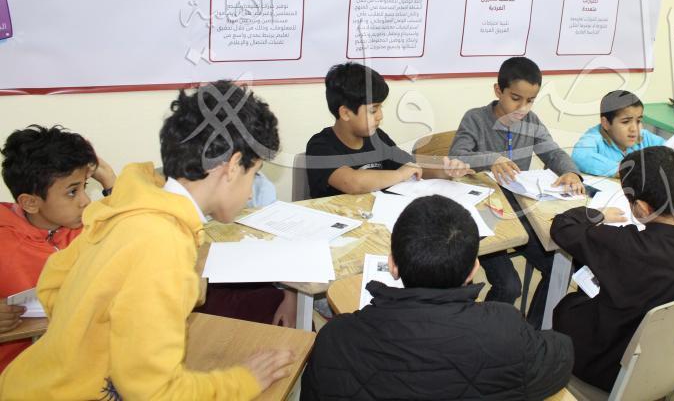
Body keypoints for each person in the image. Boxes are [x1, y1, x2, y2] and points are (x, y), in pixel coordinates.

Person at [0, 81, 294, 399]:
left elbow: (53, 285)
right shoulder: (162, 242)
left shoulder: (131, 202)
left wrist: (104, 342)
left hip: (32, 382)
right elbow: (154, 393)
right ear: (232, 166)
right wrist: (244, 381)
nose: (250, 192)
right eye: (254, 173)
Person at [300, 195, 574, 400]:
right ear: (474, 269)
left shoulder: (336, 338)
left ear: (392, 265)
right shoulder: (506, 328)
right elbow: (562, 356)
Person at [550, 146, 674, 390]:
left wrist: (599, 214)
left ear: (641, 208)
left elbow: (563, 226)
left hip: (607, 370)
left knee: (568, 305)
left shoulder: (621, 245)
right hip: (670, 369)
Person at [449, 56, 584, 328]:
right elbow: (456, 157)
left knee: (560, 269)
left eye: (530, 101)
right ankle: (485, 332)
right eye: (515, 98)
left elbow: (553, 152)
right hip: (484, 214)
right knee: (509, 285)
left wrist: (571, 172)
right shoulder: (475, 119)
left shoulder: (531, 122)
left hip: (521, 209)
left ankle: (530, 333)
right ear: (498, 91)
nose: (522, 108)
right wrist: (491, 159)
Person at [0, 125, 116, 371]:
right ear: (30, 203)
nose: (86, 200)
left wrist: (109, 179)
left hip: (84, 365)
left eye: (85, 186)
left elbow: (137, 237)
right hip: (18, 375)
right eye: (72, 192)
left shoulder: (86, 225)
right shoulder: (4, 244)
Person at [306, 62, 470, 199]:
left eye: (380, 108)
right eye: (373, 110)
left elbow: (412, 168)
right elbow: (353, 182)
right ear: (345, 113)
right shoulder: (320, 146)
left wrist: (445, 171)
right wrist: (400, 175)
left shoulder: (377, 138)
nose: (380, 116)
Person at [572, 90, 674, 177]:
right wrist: (622, 169)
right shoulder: (594, 138)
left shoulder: (644, 137)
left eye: (638, 121)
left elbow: (670, 151)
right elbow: (580, 156)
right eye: (626, 122)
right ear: (606, 123)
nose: (634, 129)